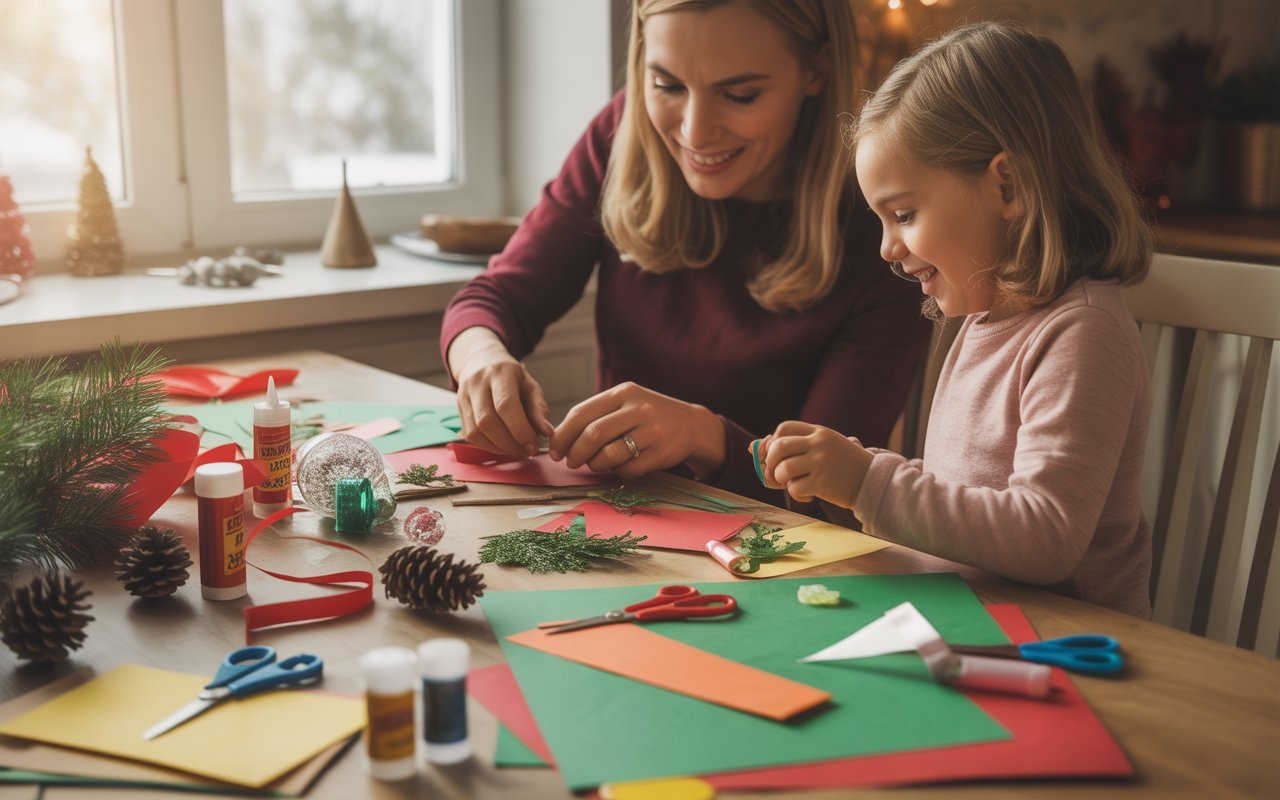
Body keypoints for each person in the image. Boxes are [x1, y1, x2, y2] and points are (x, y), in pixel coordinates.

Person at [441, 0, 930, 503]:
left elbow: (830, 496)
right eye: (668, 86)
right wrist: (482, 359)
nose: (695, 132)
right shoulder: (620, 136)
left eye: (740, 95)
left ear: (816, 70)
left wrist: (705, 438)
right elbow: (494, 299)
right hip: (618, 524)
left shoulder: (885, 227)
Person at [758, 21, 1154, 616]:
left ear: (1008, 185)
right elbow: (968, 496)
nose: (888, 247)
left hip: (1073, 644)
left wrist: (870, 481)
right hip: (971, 618)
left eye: (905, 213)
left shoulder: (1083, 333)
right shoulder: (985, 320)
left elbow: (1043, 537)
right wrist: (863, 473)